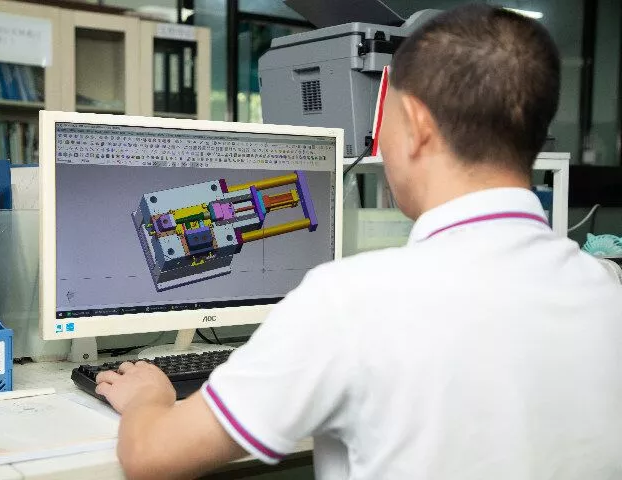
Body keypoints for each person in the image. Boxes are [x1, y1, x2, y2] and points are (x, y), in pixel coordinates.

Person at [95, 4, 622, 479]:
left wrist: (148, 398)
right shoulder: (607, 289)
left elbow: (151, 457)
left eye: (381, 117)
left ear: (415, 125)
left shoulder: (350, 302)